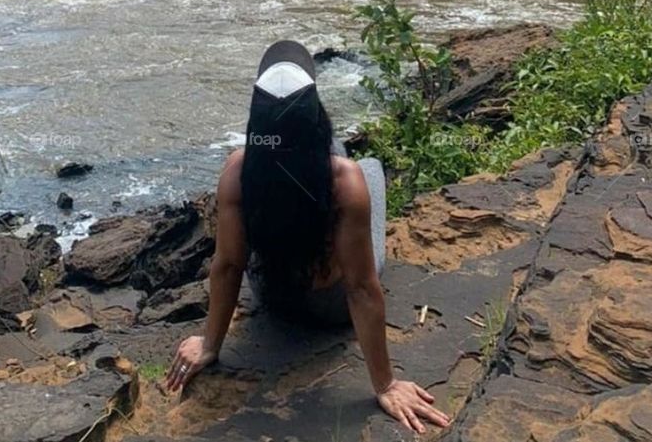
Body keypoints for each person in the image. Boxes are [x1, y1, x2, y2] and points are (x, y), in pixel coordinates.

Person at [167, 40, 451, 436]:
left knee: (304, 159)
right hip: (331, 310)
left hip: (273, 294)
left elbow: (229, 265)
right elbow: (361, 290)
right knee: (364, 165)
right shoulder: (344, 182)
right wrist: (385, 384)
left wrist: (210, 344)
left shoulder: (237, 168)